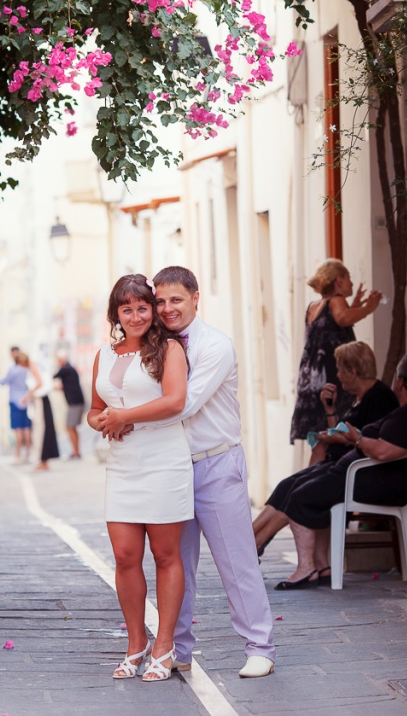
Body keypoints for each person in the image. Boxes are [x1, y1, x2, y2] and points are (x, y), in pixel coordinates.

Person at [152, 265, 276, 679]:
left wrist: (125, 418)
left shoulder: (216, 346)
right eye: (160, 301)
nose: (167, 308)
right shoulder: (155, 347)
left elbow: (183, 403)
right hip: (173, 469)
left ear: (195, 298)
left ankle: (260, 647)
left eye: (176, 299)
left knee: (237, 563)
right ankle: (178, 649)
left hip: (216, 464)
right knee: (175, 565)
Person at [89, 274, 192, 682]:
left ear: (152, 310)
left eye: (142, 308)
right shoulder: (104, 354)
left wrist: (123, 417)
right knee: (125, 556)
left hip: (163, 461)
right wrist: (103, 421)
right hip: (123, 465)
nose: (135, 316)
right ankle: (136, 642)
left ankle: (164, 646)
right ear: (116, 313)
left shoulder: (169, 349)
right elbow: (94, 410)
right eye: (126, 309)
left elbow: (175, 401)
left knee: (166, 556)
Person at [271, 350, 407, 589]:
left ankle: (306, 569)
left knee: (300, 497)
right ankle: (321, 566)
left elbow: (383, 452)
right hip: (362, 476)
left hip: (369, 481)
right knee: (300, 486)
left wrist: (357, 439)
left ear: (400, 382)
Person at [253, 341, 399, 571]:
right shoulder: (359, 397)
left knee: (298, 490)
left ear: (352, 371)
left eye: (339, 369)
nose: (337, 375)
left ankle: (255, 543)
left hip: (358, 473)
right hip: (339, 465)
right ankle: (251, 538)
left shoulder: (379, 398)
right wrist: (330, 411)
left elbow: (365, 440)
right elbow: (342, 432)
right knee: (286, 485)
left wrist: (337, 438)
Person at [290, 259, 382, 445]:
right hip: (331, 379)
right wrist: (368, 308)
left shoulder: (315, 306)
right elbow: (342, 319)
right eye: (348, 278)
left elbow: (332, 326)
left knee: (320, 442)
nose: (352, 283)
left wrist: (355, 306)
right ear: (339, 280)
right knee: (334, 437)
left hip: (311, 380)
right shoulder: (336, 300)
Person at [0, 350, 40, 463]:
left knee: (18, 430)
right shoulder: (27, 370)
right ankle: (27, 454)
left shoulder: (13, 370)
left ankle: (17, 455)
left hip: (15, 401)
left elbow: (4, 381)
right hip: (26, 401)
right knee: (27, 428)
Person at [53, 351, 85, 459]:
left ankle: (76, 452)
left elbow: (54, 376)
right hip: (76, 401)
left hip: (74, 403)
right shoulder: (70, 369)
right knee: (72, 427)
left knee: (70, 427)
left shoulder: (65, 369)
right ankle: (76, 451)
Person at [33, 360, 60, 472]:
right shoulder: (41, 367)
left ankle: (43, 461)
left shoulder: (34, 366)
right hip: (42, 400)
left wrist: (28, 395)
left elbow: (39, 383)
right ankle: (43, 461)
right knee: (43, 431)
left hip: (41, 400)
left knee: (42, 431)